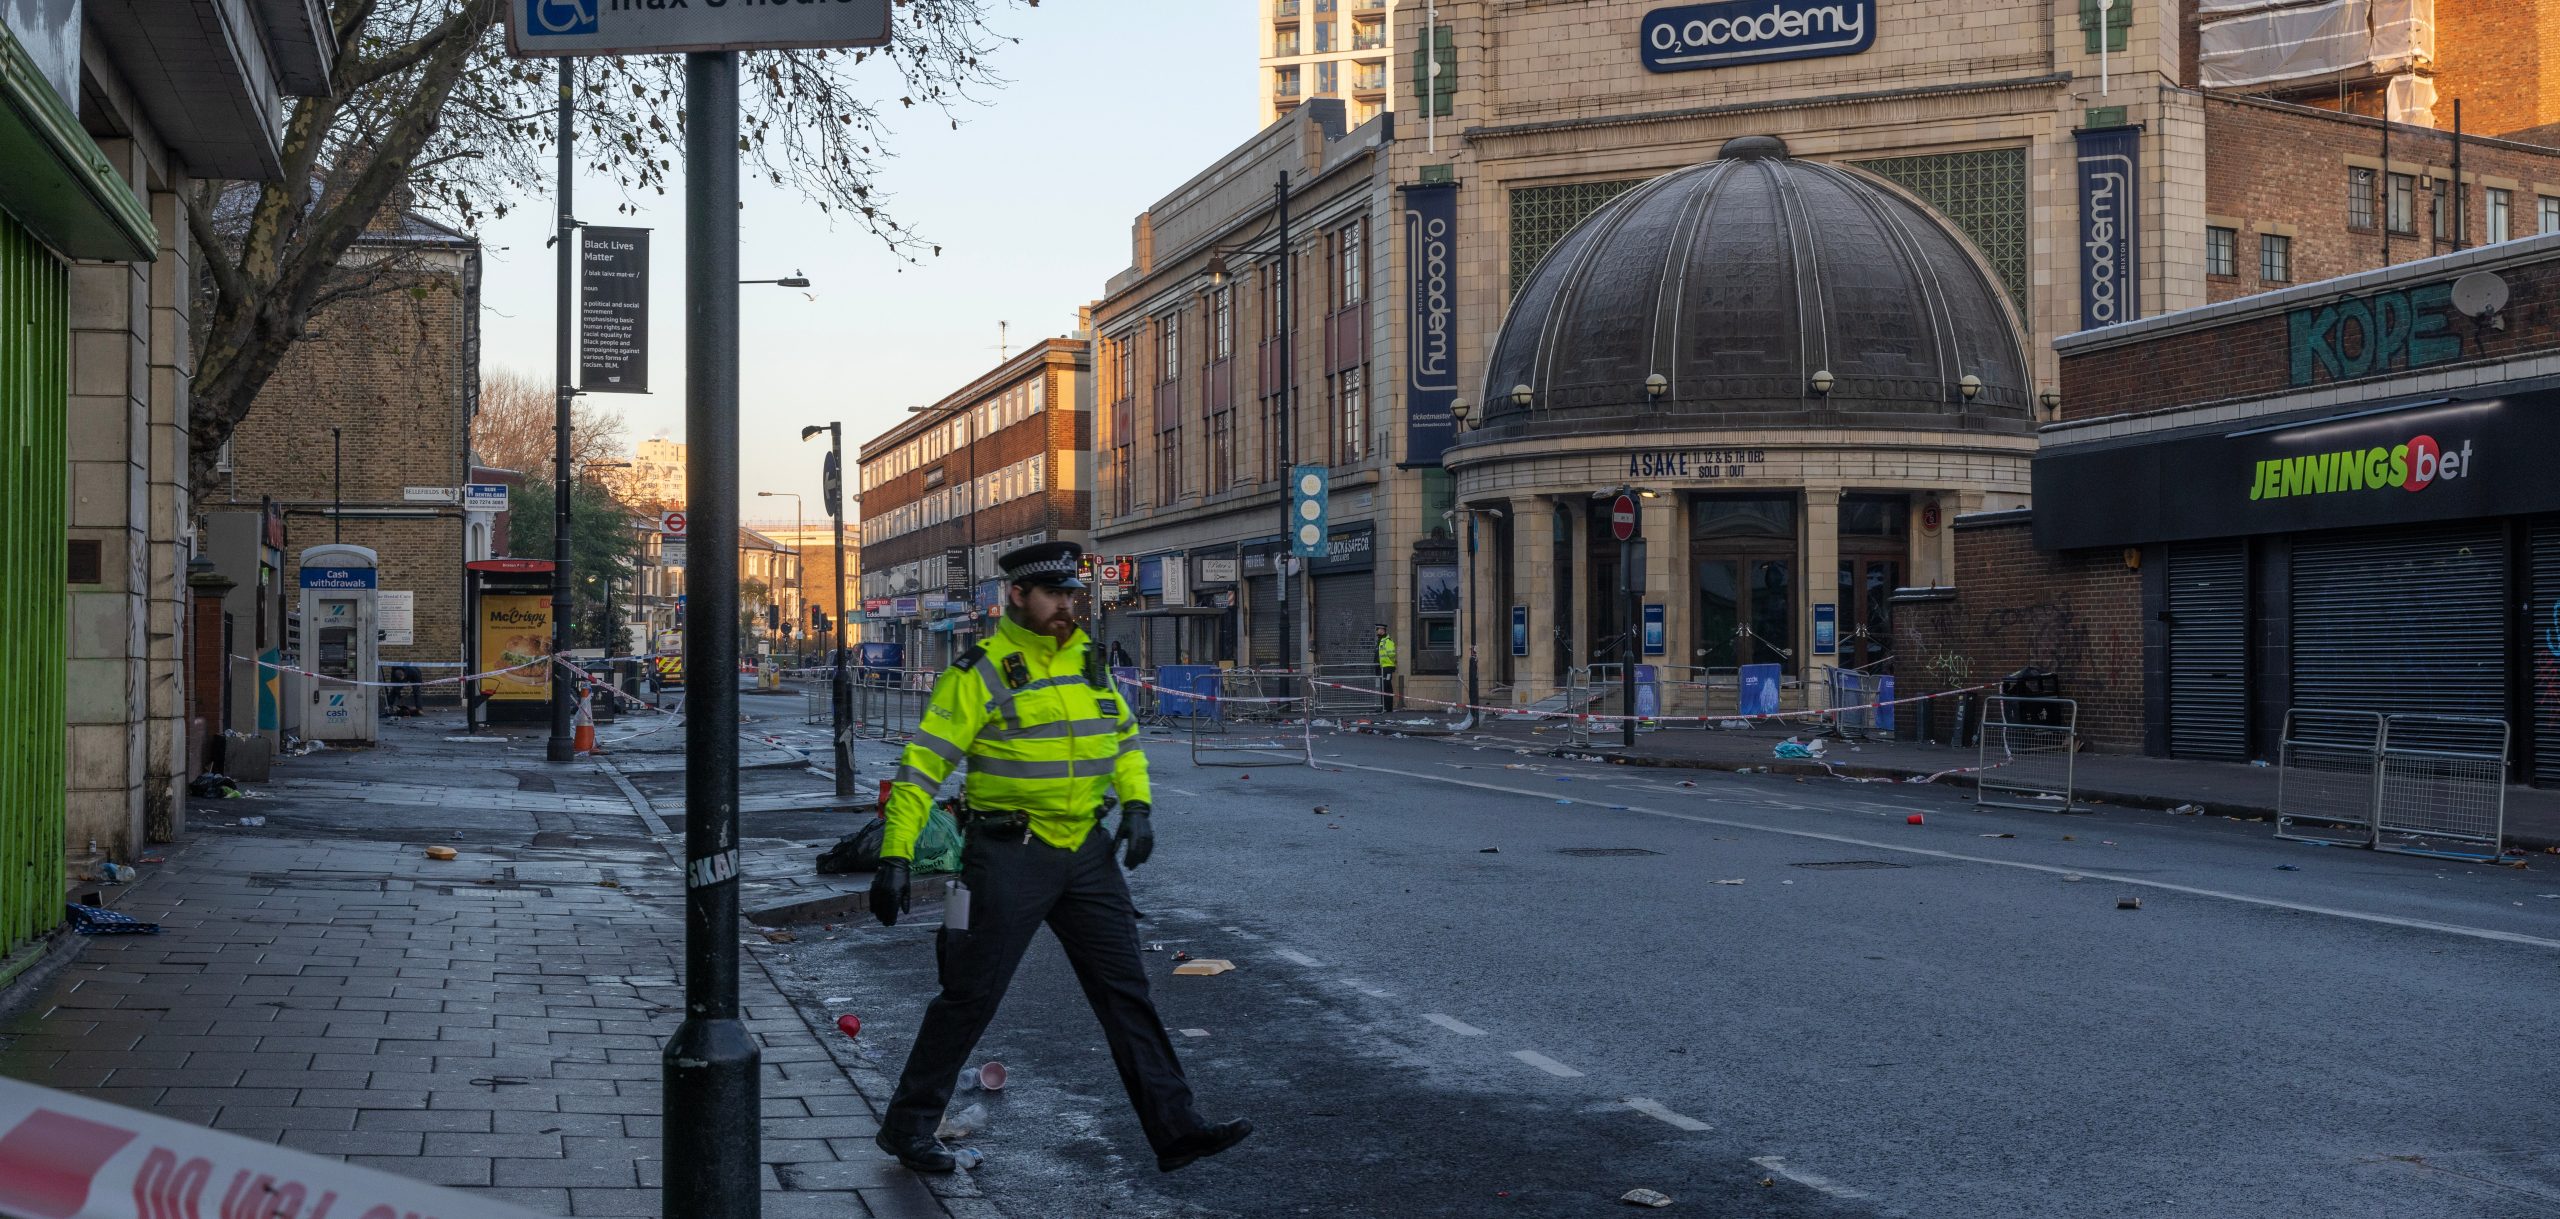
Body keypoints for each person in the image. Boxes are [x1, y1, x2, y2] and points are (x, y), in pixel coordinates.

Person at [868, 540, 1251, 1176]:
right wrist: (895, 857)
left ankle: (1177, 1128)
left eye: (1072, 594)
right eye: (1053, 595)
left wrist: (1137, 806)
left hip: (1085, 851)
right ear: (1016, 596)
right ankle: (908, 1127)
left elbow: (1123, 739)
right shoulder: (979, 671)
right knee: (970, 997)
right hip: (1007, 854)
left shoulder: (1089, 662)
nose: (1067, 605)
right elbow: (921, 771)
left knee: (1126, 991)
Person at [1374, 623, 1397, 713]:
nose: (1377, 631)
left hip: (1387, 668)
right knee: (1381, 687)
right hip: (1380, 667)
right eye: (1377, 629)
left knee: (1387, 686)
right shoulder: (1380, 641)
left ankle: (1388, 708)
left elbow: (1392, 654)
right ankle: (1382, 707)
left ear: (1383, 630)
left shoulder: (1388, 641)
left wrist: (1390, 663)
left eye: (1378, 629)